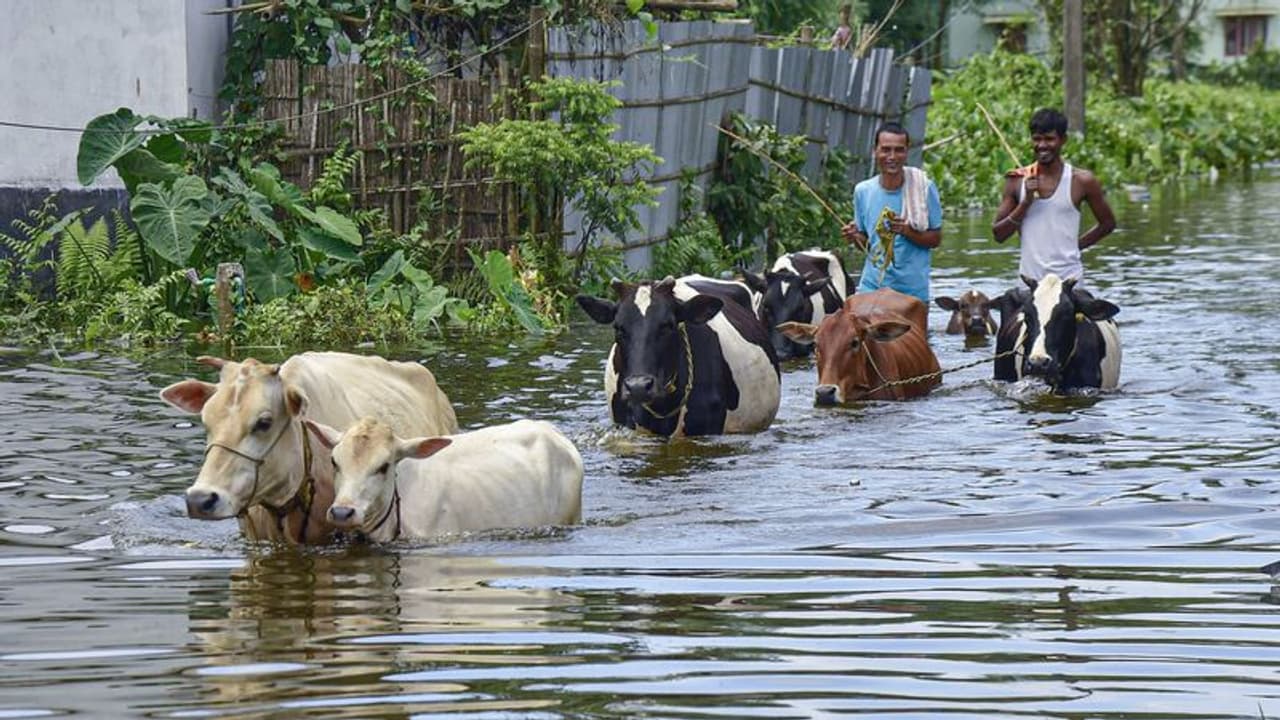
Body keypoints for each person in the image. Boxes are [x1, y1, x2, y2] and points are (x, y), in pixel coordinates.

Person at [992, 108, 1116, 287]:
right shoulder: (1017, 180)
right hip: (1029, 283)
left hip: (1069, 283)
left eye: (1049, 139)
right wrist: (1025, 203)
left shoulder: (1082, 181)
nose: (1042, 145)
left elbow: (1108, 224)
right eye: (1037, 139)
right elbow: (998, 235)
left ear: (1063, 140)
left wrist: (1075, 247)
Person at [841, 122, 943, 306]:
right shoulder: (863, 191)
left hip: (912, 294)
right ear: (875, 151)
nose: (892, 157)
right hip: (872, 289)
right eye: (886, 150)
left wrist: (907, 231)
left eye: (899, 150)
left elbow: (936, 239)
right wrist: (855, 237)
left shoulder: (923, 188)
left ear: (906, 152)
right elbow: (868, 244)